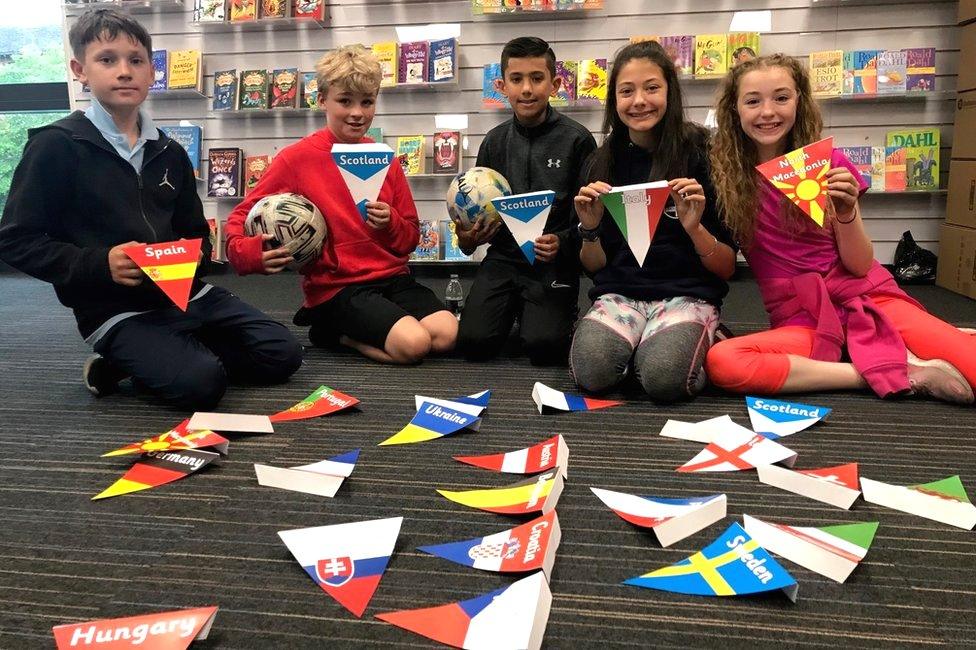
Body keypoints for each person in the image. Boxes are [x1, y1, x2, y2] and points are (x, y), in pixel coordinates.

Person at [0, 8, 302, 410]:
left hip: (185, 294)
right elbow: (16, 240)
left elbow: (195, 231)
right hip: (111, 308)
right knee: (202, 384)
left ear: (151, 72)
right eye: (107, 59)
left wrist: (192, 255)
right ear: (80, 69)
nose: (124, 71)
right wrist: (99, 263)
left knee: (282, 353)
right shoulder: (55, 147)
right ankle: (130, 361)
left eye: (136, 60)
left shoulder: (170, 151)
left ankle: (159, 356)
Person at [705, 53, 975, 404]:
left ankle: (909, 349)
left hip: (869, 299)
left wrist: (846, 212)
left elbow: (861, 265)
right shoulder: (725, 179)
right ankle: (889, 371)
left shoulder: (830, 165)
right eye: (753, 101)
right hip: (803, 320)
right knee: (724, 362)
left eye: (781, 98)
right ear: (734, 110)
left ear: (800, 102)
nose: (768, 112)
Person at [225, 45, 457, 364]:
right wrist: (250, 254)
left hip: (392, 277)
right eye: (344, 101)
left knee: (447, 335)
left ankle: (369, 328)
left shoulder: (384, 158)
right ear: (322, 99)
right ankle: (333, 331)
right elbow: (241, 216)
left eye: (367, 101)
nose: (357, 113)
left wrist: (389, 223)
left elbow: (410, 238)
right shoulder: (296, 160)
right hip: (338, 288)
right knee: (414, 346)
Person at [570, 41, 736, 401]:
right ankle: (649, 344)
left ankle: (702, 335)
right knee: (592, 372)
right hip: (621, 295)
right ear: (614, 100)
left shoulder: (703, 153)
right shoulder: (600, 162)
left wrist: (695, 228)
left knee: (665, 379)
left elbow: (725, 268)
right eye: (626, 91)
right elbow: (594, 268)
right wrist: (590, 229)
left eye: (652, 88)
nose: (639, 100)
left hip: (688, 294)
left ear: (670, 93)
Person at [455, 37, 597, 366]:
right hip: (504, 257)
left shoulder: (577, 140)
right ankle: (519, 305)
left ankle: (545, 310)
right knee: (474, 344)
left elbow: (592, 216)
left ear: (555, 84)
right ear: (501, 86)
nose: (527, 89)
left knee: (544, 347)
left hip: (553, 261)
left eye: (537, 78)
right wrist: (467, 236)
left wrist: (562, 242)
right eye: (517, 80)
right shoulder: (493, 142)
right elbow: (475, 211)